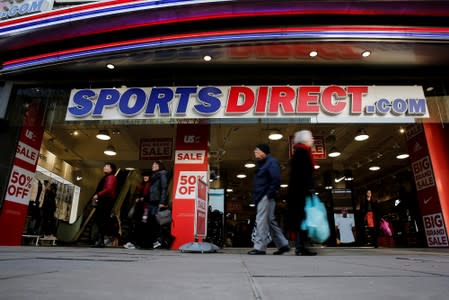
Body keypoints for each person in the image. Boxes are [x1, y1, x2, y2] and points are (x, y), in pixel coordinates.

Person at [248, 144, 290, 255]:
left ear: (263, 151)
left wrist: (268, 195)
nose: (255, 151)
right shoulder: (263, 164)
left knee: (261, 220)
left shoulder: (271, 162)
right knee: (270, 221)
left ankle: (260, 247)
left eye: (257, 150)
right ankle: (283, 244)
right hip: (263, 196)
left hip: (265, 196)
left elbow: (276, 179)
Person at [287, 130, 317, 256]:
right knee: (304, 218)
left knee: (302, 219)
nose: (312, 140)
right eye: (310, 138)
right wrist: (309, 189)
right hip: (301, 192)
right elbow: (303, 174)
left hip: (298, 192)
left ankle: (301, 246)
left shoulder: (299, 152)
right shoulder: (302, 153)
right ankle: (302, 246)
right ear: (304, 140)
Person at [143, 161, 169, 249]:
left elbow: (164, 188)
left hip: (156, 201)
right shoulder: (154, 176)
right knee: (150, 222)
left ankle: (157, 241)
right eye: (153, 164)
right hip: (151, 201)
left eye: (156, 165)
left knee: (155, 222)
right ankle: (151, 242)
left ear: (160, 166)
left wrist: (162, 202)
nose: (153, 166)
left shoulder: (162, 174)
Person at [92, 162, 117, 248]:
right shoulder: (107, 177)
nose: (105, 167)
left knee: (101, 220)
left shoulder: (111, 177)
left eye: (107, 166)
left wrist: (98, 195)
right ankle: (101, 240)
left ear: (112, 169)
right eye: (104, 166)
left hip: (106, 201)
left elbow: (109, 189)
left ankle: (101, 241)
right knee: (101, 220)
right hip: (105, 200)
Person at [123, 171, 151, 250]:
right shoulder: (142, 185)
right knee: (138, 225)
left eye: (147, 176)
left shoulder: (150, 185)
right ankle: (137, 242)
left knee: (141, 226)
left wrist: (143, 198)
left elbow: (149, 195)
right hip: (139, 208)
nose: (145, 177)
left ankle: (138, 243)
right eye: (144, 176)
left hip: (144, 208)